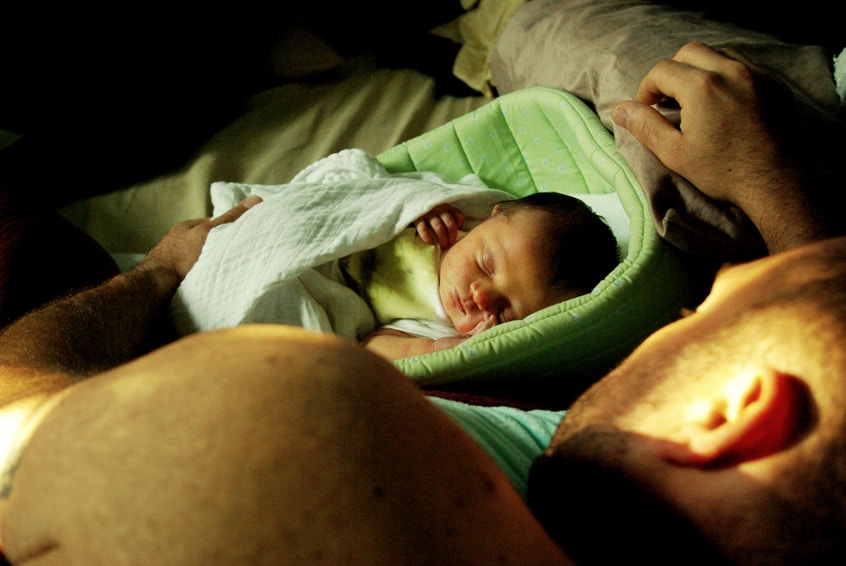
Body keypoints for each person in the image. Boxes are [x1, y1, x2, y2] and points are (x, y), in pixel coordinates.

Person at [0, 41, 843, 564]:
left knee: (37, 248)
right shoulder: (617, 507)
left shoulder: (305, 441)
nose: (701, 295)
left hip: (92, 340)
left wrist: (156, 274)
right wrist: (787, 208)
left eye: (711, 309)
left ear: (735, 414)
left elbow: (12, 393)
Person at [358, 192, 620, 360]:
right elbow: (365, 182)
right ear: (489, 218)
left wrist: (437, 349)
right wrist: (414, 203)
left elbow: (371, 348)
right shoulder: (453, 215)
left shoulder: (439, 327)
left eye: (502, 311)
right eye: (486, 264)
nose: (480, 297)